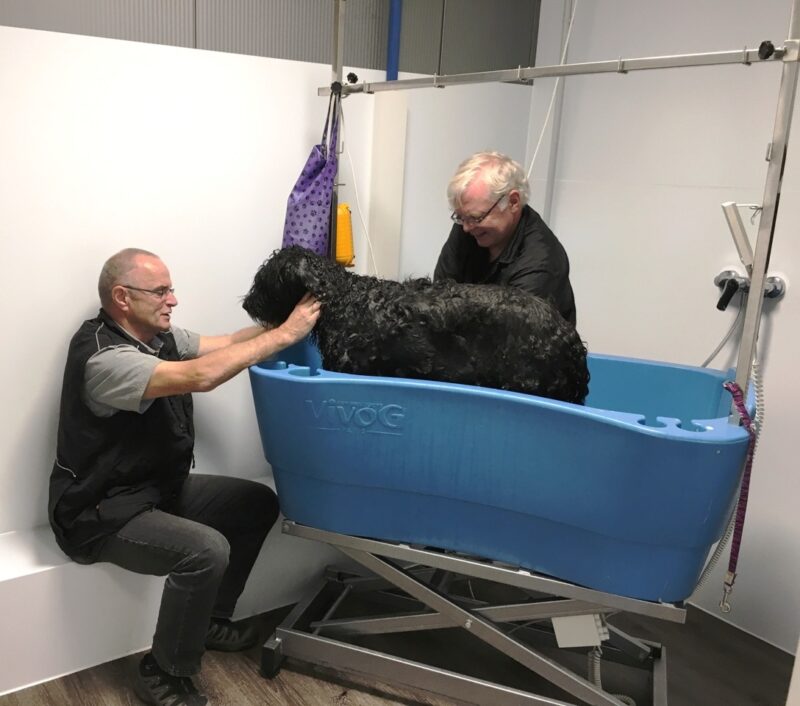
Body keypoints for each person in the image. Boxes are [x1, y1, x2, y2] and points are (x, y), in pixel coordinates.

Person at [48, 248, 320, 706]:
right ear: (122, 297)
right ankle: (164, 671)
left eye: (170, 288)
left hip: (153, 492)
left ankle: (212, 618)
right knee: (205, 552)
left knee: (256, 503)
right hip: (100, 510)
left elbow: (229, 341)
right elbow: (201, 375)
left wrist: (288, 321)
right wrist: (286, 334)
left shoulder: (158, 336)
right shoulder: (105, 358)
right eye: (161, 291)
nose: (173, 299)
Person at [434, 151, 577, 326]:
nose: (466, 227)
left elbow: (503, 335)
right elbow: (438, 298)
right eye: (461, 217)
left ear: (513, 202)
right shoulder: (470, 223)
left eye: (476, 217)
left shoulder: (541, 264)